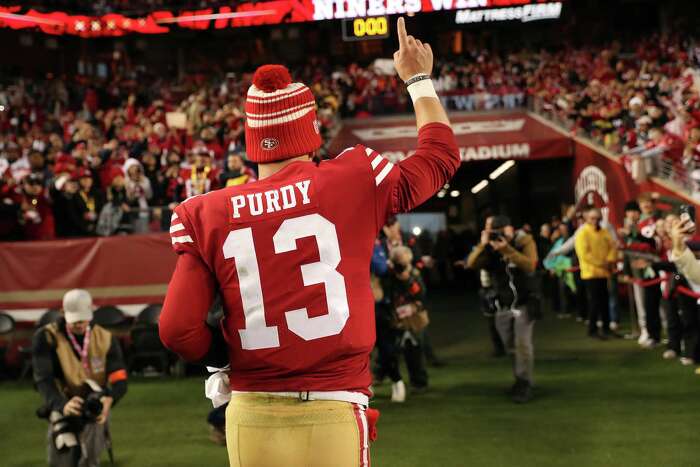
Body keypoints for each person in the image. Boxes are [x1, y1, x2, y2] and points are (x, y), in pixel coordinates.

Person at [159, 17, 459, 467]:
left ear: (252, 141)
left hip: (250, 412)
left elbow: (177, 330)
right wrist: (417, 80)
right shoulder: (353, 177)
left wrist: (229, 353)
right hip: (335, 403)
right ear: (309, 130)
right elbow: (440, 156)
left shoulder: (205, 211)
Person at [32, 289, 127, 467]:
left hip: (95, 405)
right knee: (62, 460)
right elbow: (43, 380)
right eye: (74, 320)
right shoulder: (46, 337)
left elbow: (120, 379)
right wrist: (62, 405)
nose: (79, 324)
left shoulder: (105, 338)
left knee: (91, 460)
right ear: (62, 313)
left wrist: (110, 399)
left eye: (83, 319)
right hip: (62, 405)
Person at [466, 215, 539, 403]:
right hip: (502, 304)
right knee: (510, 346)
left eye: (501, 231)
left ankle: (525, 383)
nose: (498, 235)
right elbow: (471, 264)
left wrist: (507, 249)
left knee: (523, 345)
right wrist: (483, 245)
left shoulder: (524, 241)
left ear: (510, 229)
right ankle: (519, 380)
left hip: (524, 302)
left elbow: (530, 265)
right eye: (494, 231)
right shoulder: (490, 248)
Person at [575, 207, 618, 339]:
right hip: (590, 273)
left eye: (597, 218)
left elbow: (612, 246)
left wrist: (610, 260)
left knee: (604, 301)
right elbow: (584, 254)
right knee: (594, 302)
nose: (595, 220)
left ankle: (606, 328)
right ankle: (592, 330)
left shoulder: (604, 232)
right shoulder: (582, 233)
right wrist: (603, 263)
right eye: (592, 218)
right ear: (586, 219)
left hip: (604, 272)